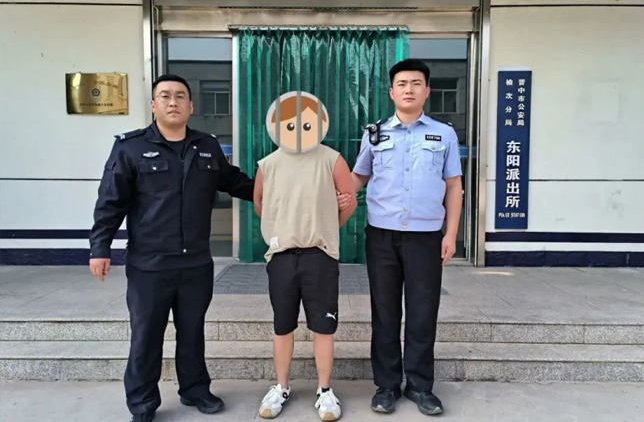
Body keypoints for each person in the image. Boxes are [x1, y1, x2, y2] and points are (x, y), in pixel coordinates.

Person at [88, 74, 255, 422]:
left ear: (191, 106)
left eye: (180, 96)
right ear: (153, 105)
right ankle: (142, 403)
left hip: (196, 264)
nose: (172, 101)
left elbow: (235, 182)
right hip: (149, 265)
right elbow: (110, 201)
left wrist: (283, 191)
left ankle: (195, 390)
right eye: (164, 96)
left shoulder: (206, 146)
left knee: (192, 332)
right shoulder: (130, 148)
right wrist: (99, 247)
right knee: (146, 336)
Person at [350, 59, 463, 416]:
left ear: (427, 91)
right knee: (384, 312)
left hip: (425, 237)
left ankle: (419, 386)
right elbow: (358, 178)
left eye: (416, 83)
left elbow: (454, 186)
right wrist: (332, 197)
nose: (409, 89)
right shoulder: (375, 133)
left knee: (422, 312)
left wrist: (451, 234)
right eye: (402, 84)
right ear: (391, 92)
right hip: (381, 236)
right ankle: (386, 386)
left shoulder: (444, 134)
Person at [253, 91, 357, 421]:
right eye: (290, 122)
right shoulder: (268, 164)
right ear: (277, 124)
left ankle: (325, 390)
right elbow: (260, 203)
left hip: (320, 256)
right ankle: (281, 386)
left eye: (305, 122)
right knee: (282, 325)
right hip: (282, 256)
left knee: (323, 326)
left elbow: (349, 200)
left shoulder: (332, 159)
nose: (298, 128)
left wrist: (325, 226)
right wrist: (282, 227)